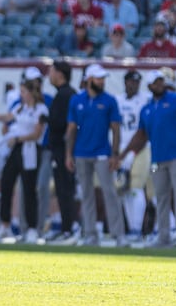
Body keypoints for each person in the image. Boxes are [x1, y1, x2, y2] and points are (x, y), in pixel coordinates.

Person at [120, 68, 176, 248]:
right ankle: (163, 236)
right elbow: (140, 136)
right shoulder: (147, 109)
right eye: (156, 82)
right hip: (157, 158)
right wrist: (124, 153)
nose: (160, 84)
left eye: (161, 81)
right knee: (161, 198)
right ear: (149, 86)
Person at [65, 64, 126, 247]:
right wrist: (69, 154)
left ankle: (118, 234)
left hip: (102, 153)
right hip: (81, 153)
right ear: (89, 79)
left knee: (110, 193)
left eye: (102, 78)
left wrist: (115, 154)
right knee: (86, 195)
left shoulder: (109, 100)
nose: (101, 81)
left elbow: (115, 129)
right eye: (98, 78)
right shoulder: (76, 100)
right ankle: (90, 234)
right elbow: (71, 130)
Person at [0, 77, 48, 244]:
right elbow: (8, 117)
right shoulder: (21, 108)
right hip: (16, 148)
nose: (20, 95)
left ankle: (32, 228)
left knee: (29, 189)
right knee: (6, 183)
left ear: (30, 92)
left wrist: (19, 138)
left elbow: (37, 133)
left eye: (23, 91)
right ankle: (4, 224)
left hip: (30, 149)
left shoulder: (40, 109)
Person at [116, 70, 151, 242]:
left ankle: (137, 229)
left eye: (136, 82)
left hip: (140, 148)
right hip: (121, 148)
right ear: (125, 82)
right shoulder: (118, 100)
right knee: (123, 189)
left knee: (136, 187)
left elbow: (145, 130)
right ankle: (132, 229)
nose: (133, 85)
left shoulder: (145, 99)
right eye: (130, 81)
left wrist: (131, 153)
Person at [46, 60, 78, 243]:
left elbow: (68, 126)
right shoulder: (62, 94)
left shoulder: (66, 95)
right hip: (61, 149)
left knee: (65, 189)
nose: (49, 75)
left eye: (52, 71)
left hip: (64, 150)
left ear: (60, 73)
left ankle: (69, 228)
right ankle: (65, 226)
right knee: (61, 189)